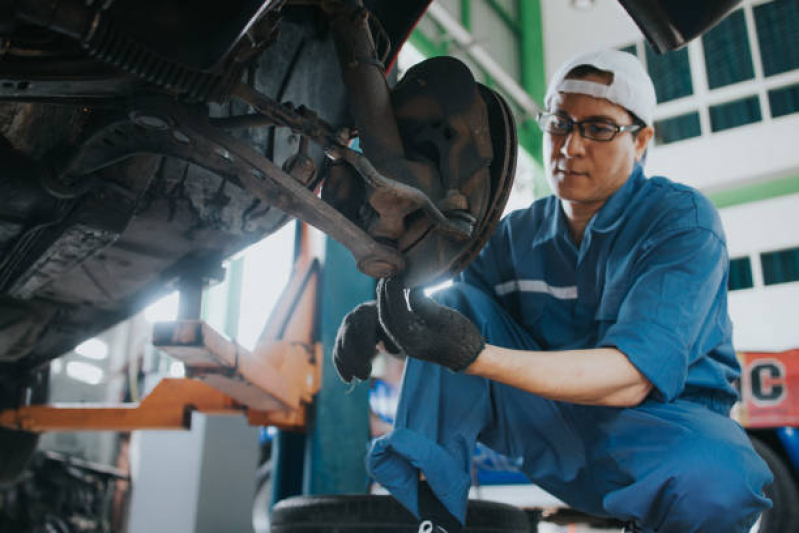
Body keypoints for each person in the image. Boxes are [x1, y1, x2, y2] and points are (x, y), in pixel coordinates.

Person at [333, 49, 773, 533]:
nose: (571, 146)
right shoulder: (514, 235)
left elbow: (630, 379)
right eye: (559, 123)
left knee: (720, 475)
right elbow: (451, 334)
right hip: (548, 430)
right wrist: (384, 324)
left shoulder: (680, 223)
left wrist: (475, 356)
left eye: (599, 128)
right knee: (456, 301)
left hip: (656, 434)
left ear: (642, 139)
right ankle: (433, 517)